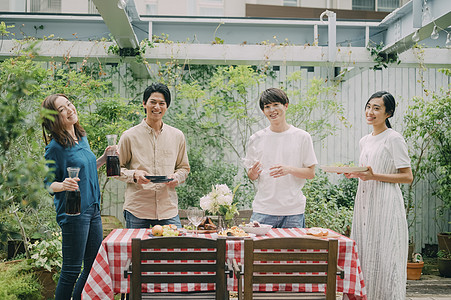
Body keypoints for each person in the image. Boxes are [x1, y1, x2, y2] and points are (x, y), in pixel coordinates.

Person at [42, 94, 112, 300]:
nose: (70, 109)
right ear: (54, 118)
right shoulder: (55, 148)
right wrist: (63, 185)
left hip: (93, 209)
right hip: (73, 212)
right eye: (62, 109)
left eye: (69, 104)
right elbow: (47, 183)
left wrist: (104, 158)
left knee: (91, 266)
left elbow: (86, 167)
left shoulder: (81, 137)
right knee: (71, 270)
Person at [345, 91, 413, 299]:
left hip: (386, 204)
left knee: (386, 256)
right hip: (365, 204)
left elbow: (407, 176)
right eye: (368, 107)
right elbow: (367, 174)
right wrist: (356, 174)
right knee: (365, 253)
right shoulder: (364, 140)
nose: (370, 112)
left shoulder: (394, 139)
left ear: (388, 113)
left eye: (377, 108)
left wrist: (373, 176)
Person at [117, 82, 190, 229]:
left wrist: (177, 177)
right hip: (138, 208)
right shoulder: (129, 136)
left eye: (162, 103)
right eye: (153, 102)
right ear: (144, 104)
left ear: (166, 107)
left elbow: (184, 168)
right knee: (135, 251)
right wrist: (134, 175)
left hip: (167, 209)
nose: (157, 107)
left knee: (175, 249)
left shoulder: (177, 136)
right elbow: (116, 169)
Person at [245, 88, 317, 228]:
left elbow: (311, 173)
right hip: (263, 210)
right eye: (267, 107)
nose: (272, 110)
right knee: (258, 250)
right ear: (263, 111)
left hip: (293, 211)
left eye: (276, 105)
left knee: (293, 250)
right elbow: (251, 176)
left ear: (286, 105)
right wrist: (253, 172)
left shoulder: (302, 137)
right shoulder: (255, 139)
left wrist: (289, 169)